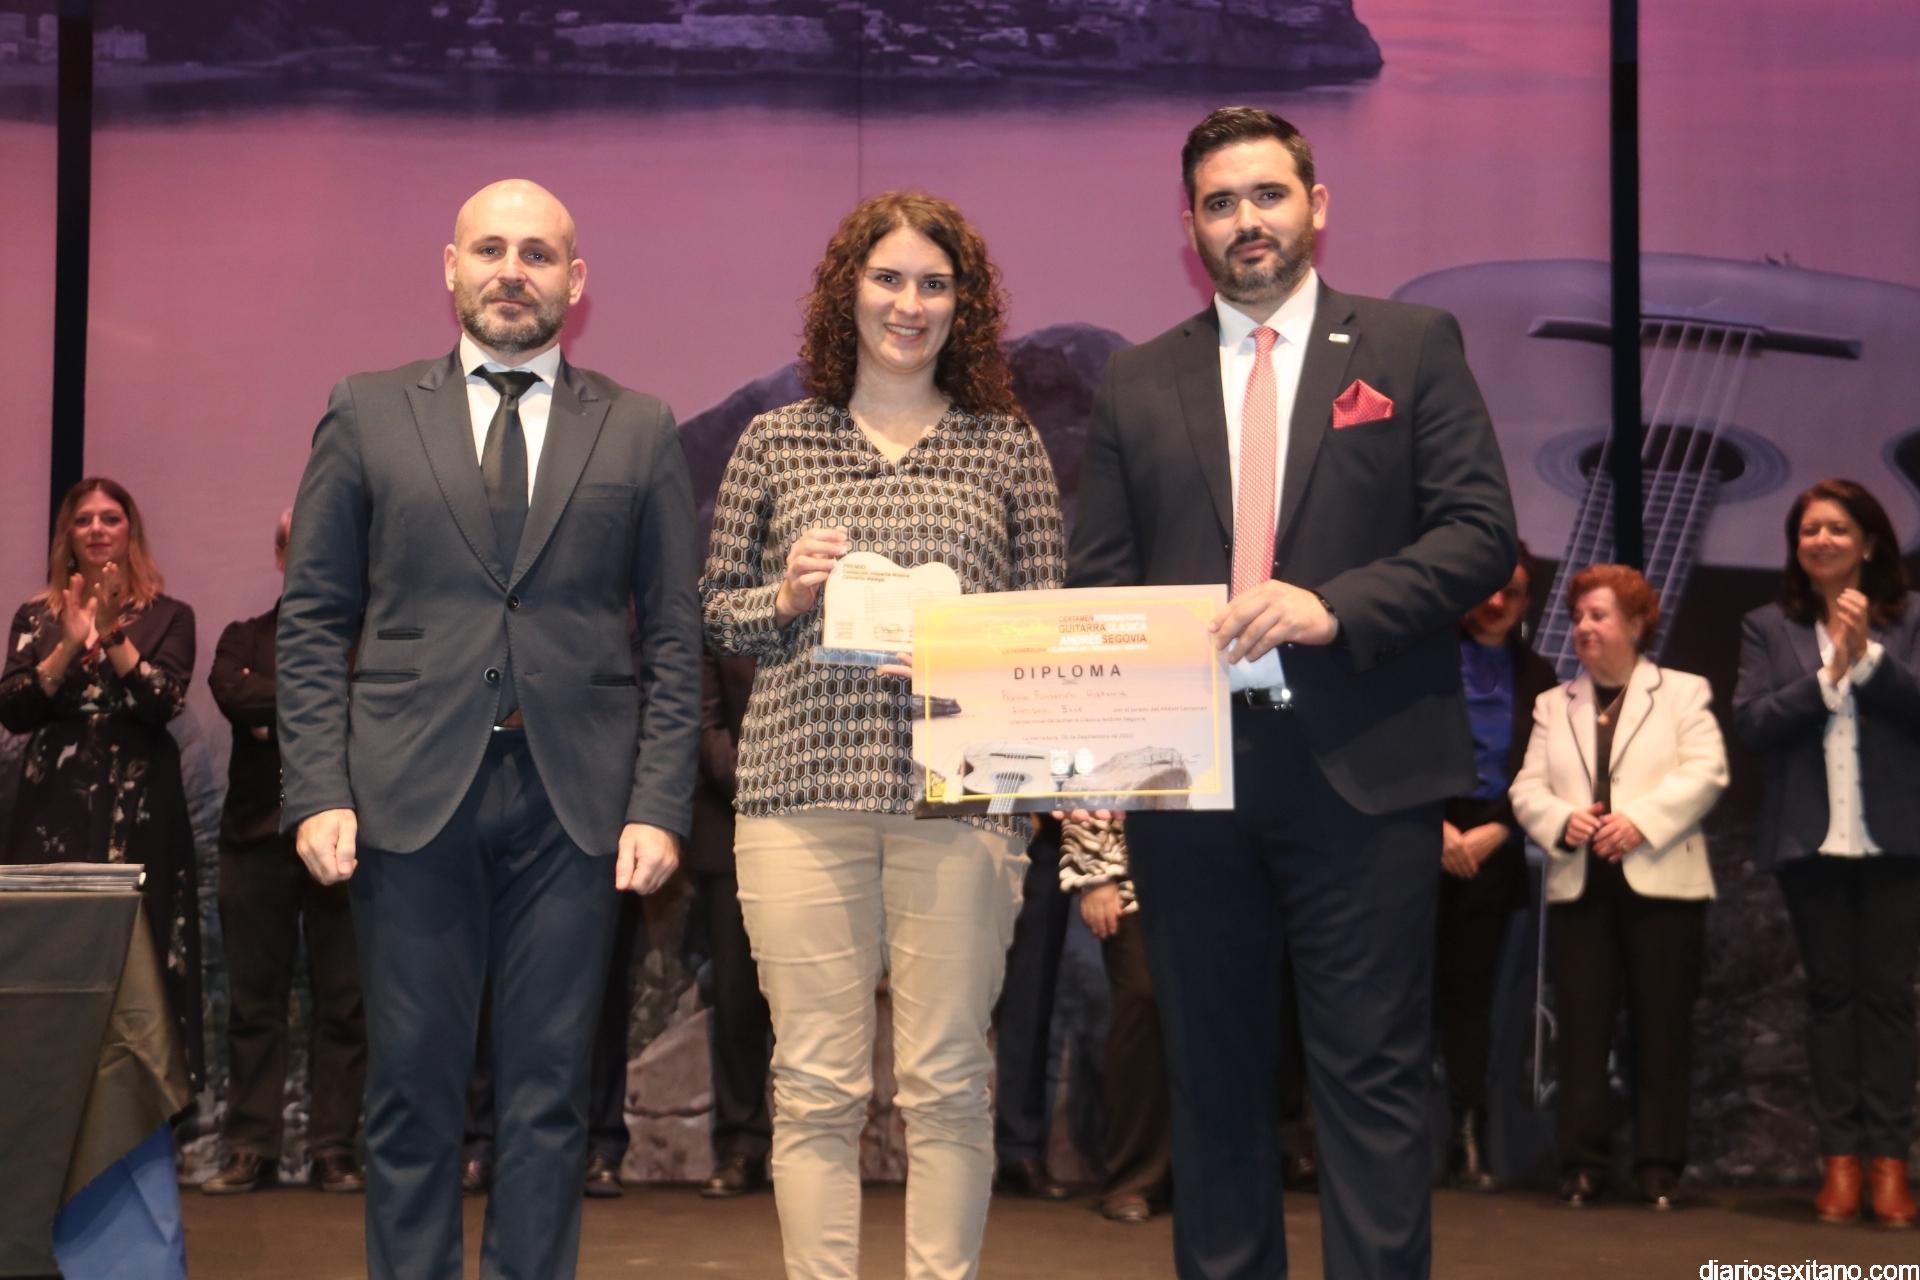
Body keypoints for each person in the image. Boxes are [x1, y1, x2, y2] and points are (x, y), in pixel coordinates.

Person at [1066, 106, 1515, 1278]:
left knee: (1371, 1076)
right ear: (1190, 227)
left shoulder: (1410, 346)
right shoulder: (1137, 380)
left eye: (1267, 194)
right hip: (1188, 779)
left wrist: (1335, 606)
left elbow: (1480, 533)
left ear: (1317, 205)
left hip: (1365, 767)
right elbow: (1100, 584)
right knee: (1210, 1080)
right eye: (1220, 203)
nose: (1246, 220)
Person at [277, 178, 701, 1280]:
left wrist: (659, 803)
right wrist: (317, 786)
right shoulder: (366, 410)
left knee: (551, 1096)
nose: (513, 271)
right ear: (451, 267)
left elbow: (674, 633)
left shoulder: (640, 426)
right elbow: (313, 619)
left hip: (576, 808)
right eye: (491, 249)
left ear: (576, 280)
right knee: (410, 1090)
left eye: (539, 254)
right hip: (407, 798)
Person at [701, 189, 1065, 1280]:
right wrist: (785, 595)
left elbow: (1045, 632)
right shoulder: (774, 440)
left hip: (961, 798)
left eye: (934, 284)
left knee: (949, 1082)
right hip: (795, 798)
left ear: (965, 304)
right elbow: (715, 612)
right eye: (889, 278)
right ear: (846, 292)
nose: (910, 303)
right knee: (814, 1084)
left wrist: (970, 660)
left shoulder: (1009, 448)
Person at [1509, 564, 1726, 1211]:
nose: (1583, 627)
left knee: (1661, 1028)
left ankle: (1659, 1167)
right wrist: (1561, 820)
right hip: (1582, 885)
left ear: (1635, 623)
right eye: (1578, 616)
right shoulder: (1555, 703)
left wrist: (1640, 821)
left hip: (1663, 882)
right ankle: (1582, 1164)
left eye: (1598, 615)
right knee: (1581, 1030)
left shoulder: (1682, 692)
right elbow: (1526, 788)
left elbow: (1708, 772)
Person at [1732, 479, 1920, 1228]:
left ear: (1868, 542)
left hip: (1897, 839)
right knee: (1830, 998)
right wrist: (1828, 676)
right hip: (1811, 839)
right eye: (1809, 530)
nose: (1821, 540)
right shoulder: (1767, 626)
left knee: (1889, 1001)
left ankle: (1890, 1166)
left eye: (1838, 528)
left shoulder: (1911, 620)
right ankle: (1840, 1163)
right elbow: (1752, 722)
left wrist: (1868, 659)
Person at [1, 477, 203, 1085]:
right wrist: (66, 645)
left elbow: (163, 701)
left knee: (141, 948)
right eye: (83, 518)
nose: (96, 529)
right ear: (68, 535)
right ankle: (45, 1095)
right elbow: (13, 708)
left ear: (129, 532)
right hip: (53, 806)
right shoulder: (35, 615)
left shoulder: (170, 615)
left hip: (140, 802)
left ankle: (144, 1105)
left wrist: (113, 635)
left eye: (109, 518)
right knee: (52, 948)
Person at [202, 510, 366, 1195]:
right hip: (255, 838)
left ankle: (334, 1149)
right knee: (253, 1004)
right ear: (279, 555)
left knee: (347, 1004)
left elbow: (367, 706)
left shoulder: (370, 638)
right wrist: (324, 703)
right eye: (298, 544)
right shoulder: (242, 637)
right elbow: (231, 692)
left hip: (347, 838)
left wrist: (276, 717)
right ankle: (251, 1148)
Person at [1435, 545, 1557, 1190]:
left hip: (1494, 844)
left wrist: (1502, 828)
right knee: (1396, 997)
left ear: (1526, 602)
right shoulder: (1424, 659)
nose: (1496, 602)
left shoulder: (1540, 673)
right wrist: (1433, 828)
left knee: (1471, 1001)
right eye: (1487, 587)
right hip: (1415, 839)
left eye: (1511, 592)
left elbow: (1547, 765)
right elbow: (1394, 746)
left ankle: (1466, 1136)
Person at [685, 645, 774, 1199]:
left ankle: (817, 1142)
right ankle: (742, 1143)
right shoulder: (719, 607)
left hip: (834, 826)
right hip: (732, 823)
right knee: (737, 997)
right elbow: (704, 724)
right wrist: (770, 788)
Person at [1058, 815, 1172, 1225]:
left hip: (1225, 871)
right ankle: (1133, 1176)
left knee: (1220, 1016)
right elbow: (1091, 780)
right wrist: (1095, 873)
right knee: (1142, 1000)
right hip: (1133, 870)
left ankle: (1206, 1174)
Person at [991, 816, 1074, 1201]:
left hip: (1040, 841)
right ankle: (937, 1149)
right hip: (956, 833)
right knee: (947, 1004)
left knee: (1030, 1001)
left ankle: (1018, 1150)